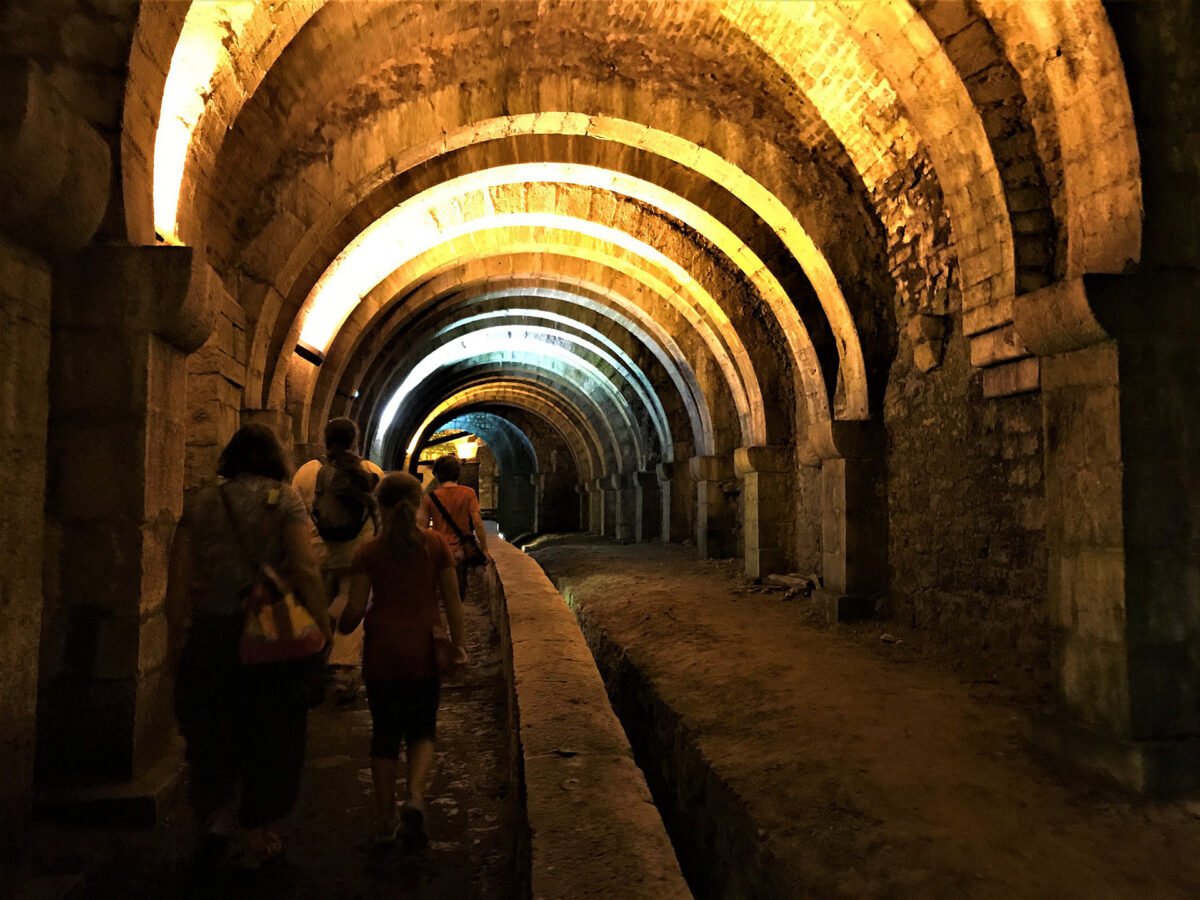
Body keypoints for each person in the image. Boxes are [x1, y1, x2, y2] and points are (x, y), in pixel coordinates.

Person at [167, 425, 330, 868]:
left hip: (212, 632)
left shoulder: (199, 502)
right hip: (269, 636)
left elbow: (179, 579)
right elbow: (305, 568)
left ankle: (216, 817)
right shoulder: (284, 499)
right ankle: (259, 832)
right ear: (273, 457)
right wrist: (322, 626)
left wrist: (175, 635)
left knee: (211, 726)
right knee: (271, 730)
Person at [339, 472, 468, 846]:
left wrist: (335, 624)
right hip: (424, 649)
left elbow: (355, 610)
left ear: (379, 505)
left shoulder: (369, 551)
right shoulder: (435, 545)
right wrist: (459, 645)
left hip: (382, 649)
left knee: (384, 732)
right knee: (422, 728)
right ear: (418, 504)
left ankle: (383, 817)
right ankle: (414, 796)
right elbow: (452, 601)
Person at [292, 417, 384, 671]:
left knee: (315, 603)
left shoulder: (306, 471)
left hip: (316, 552)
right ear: (355, 441)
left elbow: (296, 514)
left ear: (326, 439)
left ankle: (316, 653)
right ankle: (343, 666)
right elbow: (381, 517)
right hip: (357, 554)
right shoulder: (372, 472)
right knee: (352, 602)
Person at [418, 455, 492, 602]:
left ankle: (441, 621)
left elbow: (422, 528)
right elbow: (477, 523)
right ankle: (455, 620)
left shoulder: (430, 498)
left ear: (437, 474)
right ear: (458, 473)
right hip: (460, 551)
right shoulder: (468, 493)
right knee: (457, 595)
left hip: (438, 551)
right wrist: (484, 550)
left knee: (439, 595)